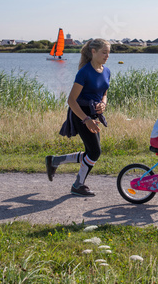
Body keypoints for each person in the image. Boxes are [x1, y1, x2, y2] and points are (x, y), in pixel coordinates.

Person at [45, 38, 111, 197]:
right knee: (94, 152)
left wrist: (103, 104)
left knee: (91, 151)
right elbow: (71, 100)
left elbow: (104, 93)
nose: (107, 56)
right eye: (104, 52)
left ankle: (54, 161)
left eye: (108, 53)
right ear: (93, 52)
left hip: (93, 114)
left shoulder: (106, 70)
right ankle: (78, 185)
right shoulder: (84, 72)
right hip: (80, 113)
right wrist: (86, 120)